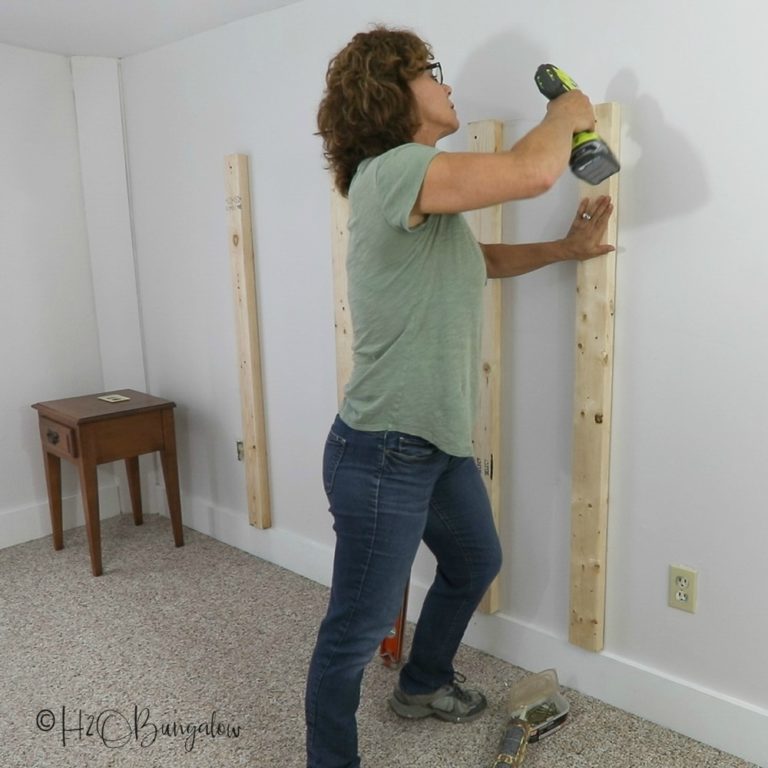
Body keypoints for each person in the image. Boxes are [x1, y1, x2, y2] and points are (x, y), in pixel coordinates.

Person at [305, 25, 614, 768]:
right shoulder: (393, 170)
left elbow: (481, 260)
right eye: (430, 72)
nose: (447, 84)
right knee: (355, 627)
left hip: (432, 443)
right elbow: (533, 173)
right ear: (391, 92)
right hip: (382, 449)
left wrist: (565, 251)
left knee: (475, 561)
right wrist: (568, 111)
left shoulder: (421, 195)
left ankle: (422, 683)